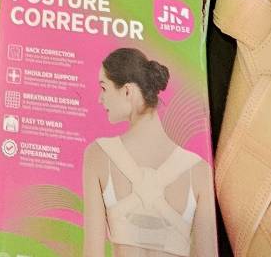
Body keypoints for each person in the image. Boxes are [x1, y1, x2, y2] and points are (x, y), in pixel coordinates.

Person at [82, 48, 215, 256]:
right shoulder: (199, 171)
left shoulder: (98, 155)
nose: (100, 98)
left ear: (127, 91)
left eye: (104, 88)